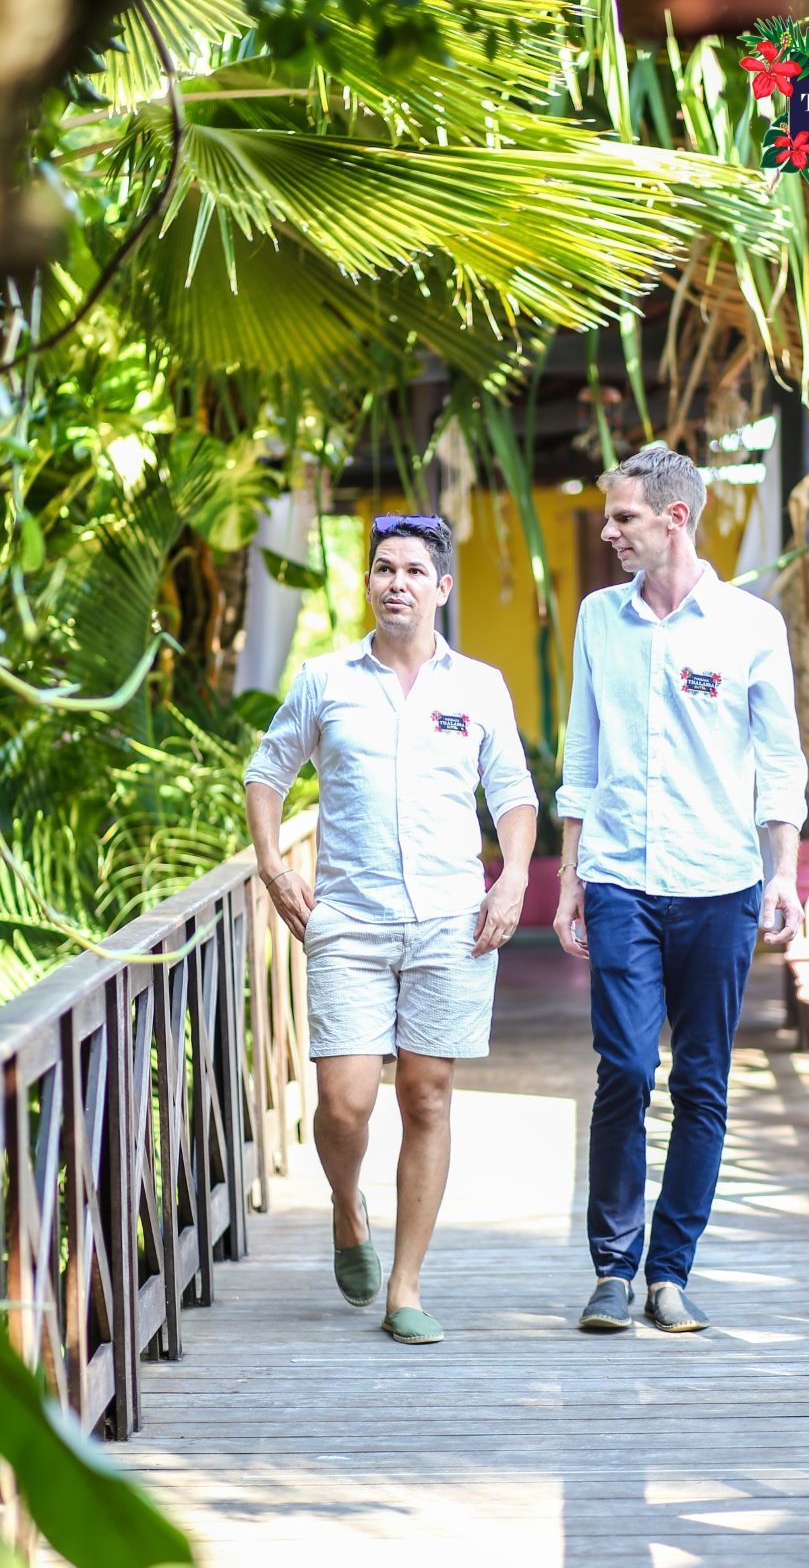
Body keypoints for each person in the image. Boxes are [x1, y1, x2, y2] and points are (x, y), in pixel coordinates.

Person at [245, 513, 537, 1345]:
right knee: (343, 1104)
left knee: (427, 1095)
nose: (396, 582)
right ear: (367, 584)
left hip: (452, 923)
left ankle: (404, 1287)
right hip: (349, 919)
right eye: (382, 569)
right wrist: (273, 865)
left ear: (442, 588)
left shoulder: (477, 687)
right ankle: (347, 1206)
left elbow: (513, 794)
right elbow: (267, 773)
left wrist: (513, 878)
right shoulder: (325, 679)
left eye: (413, 570)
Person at [553, 447, 807, 1334]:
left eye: (623, 517)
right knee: (624, 1068)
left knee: (703, 1082)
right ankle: (612, 1271)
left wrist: (783, 873)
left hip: (719, 883)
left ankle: (671, 1270)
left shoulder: (748, 626)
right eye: (608, 515)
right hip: (621, 874)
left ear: (675, 519)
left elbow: (779, 762)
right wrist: (571, 875)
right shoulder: (597, 619)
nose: (608, 530)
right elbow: (579, 749)